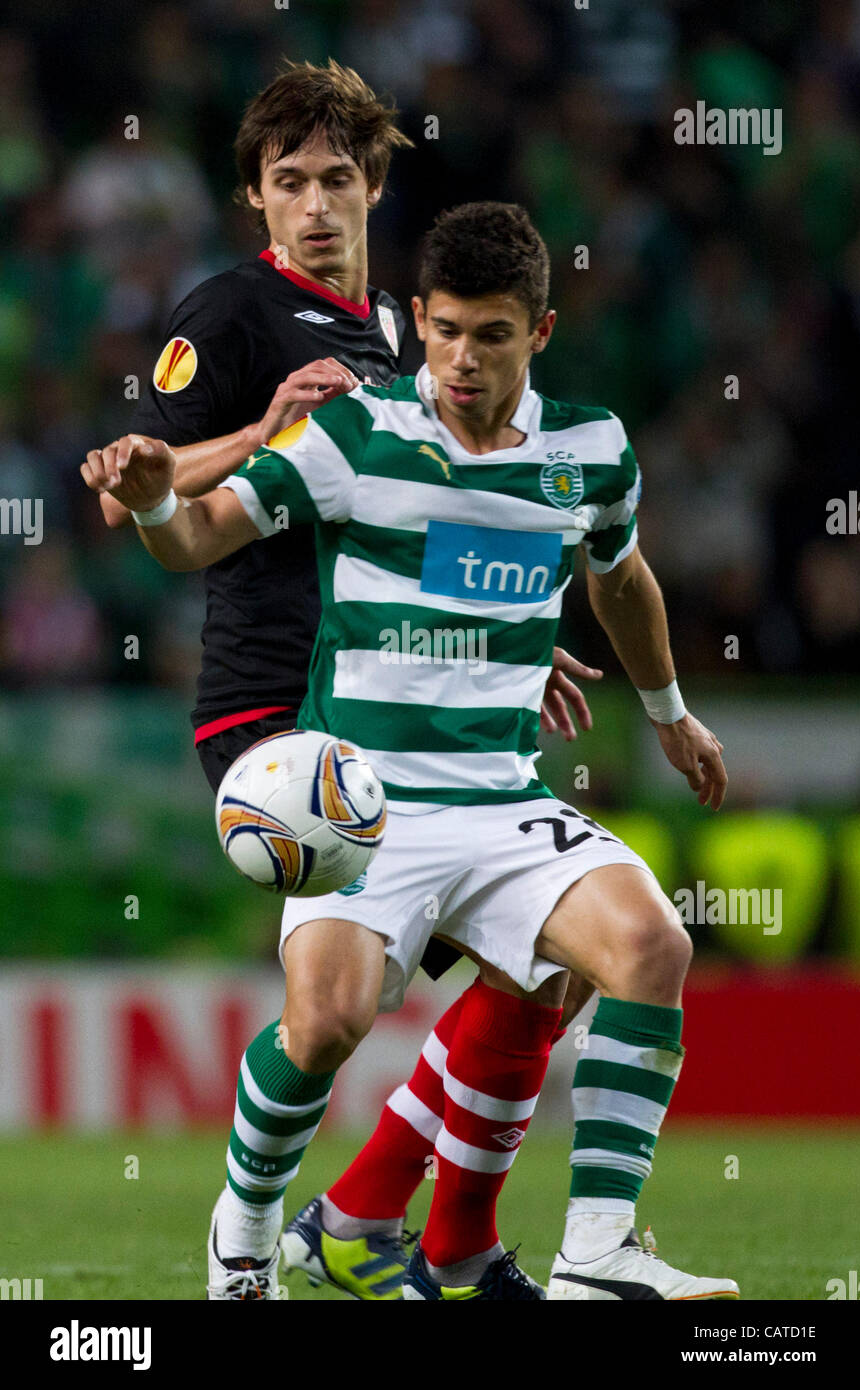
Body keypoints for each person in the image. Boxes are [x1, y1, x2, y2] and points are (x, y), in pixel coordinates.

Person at [83, 200, 739, 1302]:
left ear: (540, 330)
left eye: (488, 334)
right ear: (419, 322)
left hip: (499, 799)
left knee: (649, 944)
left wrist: (669, 710)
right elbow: (199, 536)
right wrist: (156, 504)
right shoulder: (356, 434)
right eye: (439, 331)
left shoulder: (589, 450)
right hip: (363, 802)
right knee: (326, 1023)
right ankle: (242, 1228)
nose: (458, 360)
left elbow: (618, 578)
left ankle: (596, 1250)